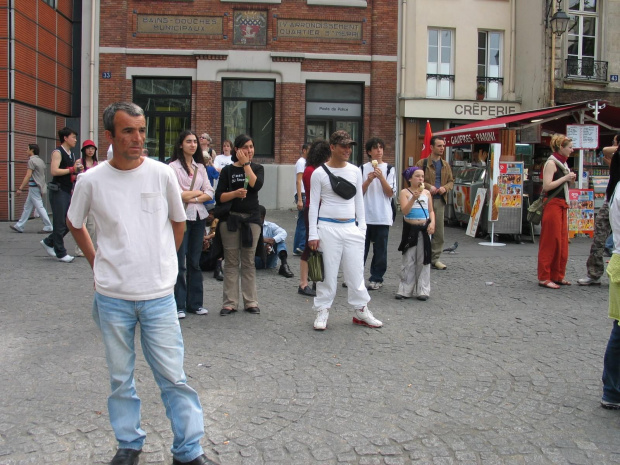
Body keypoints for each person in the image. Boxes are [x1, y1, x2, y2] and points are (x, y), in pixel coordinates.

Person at [67, 102, 215, 465]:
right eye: (128, 131)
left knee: (174, 378)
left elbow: (178, 224)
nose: (138, 138)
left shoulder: (160, 175)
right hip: (112, 298)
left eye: (142, 129)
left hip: (159, 298)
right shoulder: (91, 180)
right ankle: (129, 445)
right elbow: (75, 222)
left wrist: (162, 262)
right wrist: (96, 260)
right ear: (110, 136)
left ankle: (188, 452)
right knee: (120, 379)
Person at [307, 130, 383, 331]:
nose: (348, 150)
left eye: (350, 146)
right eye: (343, 146)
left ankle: (361, 309)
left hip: (351, 227)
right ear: (332, 147)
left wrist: (362, 227)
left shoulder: (354, 171)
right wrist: (313, 233)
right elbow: (313, 204)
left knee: (356, 272)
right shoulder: (319, 173)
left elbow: (359, 200)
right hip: (327, 226)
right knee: (327, 274)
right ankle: (323, 309)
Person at [214, 134, 264, 316]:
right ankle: (230, 302)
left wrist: (246, 165)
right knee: (231, 261)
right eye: (245, 147)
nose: (249, 150)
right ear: (237, 150)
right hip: (231, 220)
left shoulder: (257, 168)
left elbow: (255, 184)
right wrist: (234, 194)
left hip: (251, 220)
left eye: (251, 147)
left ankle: (251, 301)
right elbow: (219, 196)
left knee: (249, 262)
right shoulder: (227, 171)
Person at [169, 130, 214, 319]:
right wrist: (197, 194)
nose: (193, 145)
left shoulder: (200, 167)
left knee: (194, 262)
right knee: (179, 262)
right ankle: (178, 304)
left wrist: (191, 195)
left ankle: (195, 303)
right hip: (181, 217)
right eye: (188, 141)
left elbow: (210, 192)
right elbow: (175, 194)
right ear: (181, 144)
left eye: (195, 141)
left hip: (199, 217)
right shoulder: (172, 167)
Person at [578, 134, 620, 285]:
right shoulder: (616, 157)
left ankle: (595, 273)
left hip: (614, 199)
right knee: (599, 236)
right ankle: (594, 273)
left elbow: (605, 149)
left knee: (600, 237)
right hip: (610, 199)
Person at [537, 134, 577, 289]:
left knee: (561, 241)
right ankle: (544, 276)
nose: (572, 150)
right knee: (550, 241)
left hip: (561, 204)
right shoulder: (552, 163)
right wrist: (565, 178)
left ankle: (557, 275)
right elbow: (546, 186)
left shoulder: (562, 164)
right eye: (570, 147)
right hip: (553, 204)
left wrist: (568, 179)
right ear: (561, 147)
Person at [40, 126, 82, 263]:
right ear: (65, 138)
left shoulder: (72, 154)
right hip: (58, 191)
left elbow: (70, 173)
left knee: (70, 221)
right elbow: (54, 171)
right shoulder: (58, 152)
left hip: (67, 190)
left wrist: (76, 172)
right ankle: (60, 252)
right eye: (73, 137)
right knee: (59, 222)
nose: (75, 139)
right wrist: (72, 169)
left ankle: (49, 241)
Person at [360, 137, 396, 290]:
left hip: (382, 216)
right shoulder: (361, 169)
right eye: (375, 148)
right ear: (369, 152)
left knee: (380, 251)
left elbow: (390, 193)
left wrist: (381, 178)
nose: (379, 151)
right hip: (364, 216)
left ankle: (377, 278)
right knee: (361, 249)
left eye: (381, 147)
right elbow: (358, 193)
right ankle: (356, 277)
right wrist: (368, 180)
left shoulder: (389, 169)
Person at [395, 166, 435, 301]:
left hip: (424, 228)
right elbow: (405, 211)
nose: (420, 179)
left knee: (424, 259)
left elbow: (431, 211)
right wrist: (413, 198)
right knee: (408, 259)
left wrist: (432, 223)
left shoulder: (427, 193)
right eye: (417, 176)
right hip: (410, 229)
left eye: (422, 176)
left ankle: (423, 289)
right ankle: (405, 289)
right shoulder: (404, 192)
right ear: (410, 178)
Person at [298, 140, 331, 297]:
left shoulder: (316, 169)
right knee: (309, 246)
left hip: (320, 210)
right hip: (313, 210)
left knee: (320, 246)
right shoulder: (311, 171)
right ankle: (303, 283)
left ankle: (316, 280)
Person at [422, 136, 454, 270]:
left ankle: (435, 259)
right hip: (424, 201)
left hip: (439, 201)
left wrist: (444, 188)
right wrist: (429, 187)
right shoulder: (422, 163)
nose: (442, 148)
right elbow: (414, 180)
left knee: (438, 231)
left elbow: (451, 181)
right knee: (423, 230)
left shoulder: (446, 165)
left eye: (443, 145)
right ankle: (422, 257)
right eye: (439, 146)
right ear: (432, 147)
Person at [10, 144, 53, 234]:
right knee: (27, 206)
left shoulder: (31, 161)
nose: (26, 151)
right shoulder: (40, 161)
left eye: (27, 149)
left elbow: (28, 175)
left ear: (32, 150)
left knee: (39, 206)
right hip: (38, 187)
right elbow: (42, 176)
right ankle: (19, 226)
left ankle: (48, 226)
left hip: (33, 187)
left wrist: (20, 188)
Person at [74, 140, 99, 257]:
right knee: (81, 223)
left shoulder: (96, 164)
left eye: (93, 149)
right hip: (82, 195)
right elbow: (75, 177)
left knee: (92, 225)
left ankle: (87, 247)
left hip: (93, 196)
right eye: (88, 148)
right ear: (84, 150)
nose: (90, 151)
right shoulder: (79, 162)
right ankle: (79, 248)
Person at [255, 205, 294, 277]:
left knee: (280, 241)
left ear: (263, 217)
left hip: (270, 259)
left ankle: (284, 265)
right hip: (255, 261)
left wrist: (273, 241)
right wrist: (262, 240)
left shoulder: (270, 226)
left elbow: (283, 232)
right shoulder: (249, 227)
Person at [293, 143, 310, 255]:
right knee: (304, 221)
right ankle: (301, 246)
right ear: (304, 150)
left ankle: (298, 247)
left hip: (303, 193)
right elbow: (299, 180)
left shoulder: (305, 163)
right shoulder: (301, 162)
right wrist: (299, 198)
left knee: (302, 221)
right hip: (302, 194)